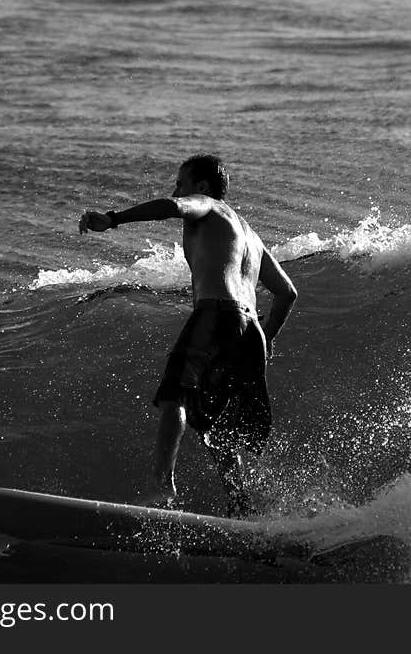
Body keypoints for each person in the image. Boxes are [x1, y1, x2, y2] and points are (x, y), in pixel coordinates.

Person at [79, 154, 297, 516]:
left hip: (217, 313)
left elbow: (173, 206)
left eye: (181, 182)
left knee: (173, 396)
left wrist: (113, 219)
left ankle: (162, 488)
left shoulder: (207, 205)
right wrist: (268, 336)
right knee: (215, 427)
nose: (176, 189)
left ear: (202, 187)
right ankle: (241, 509)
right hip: (251, 332)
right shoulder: (252, 237)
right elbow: (287, 292)